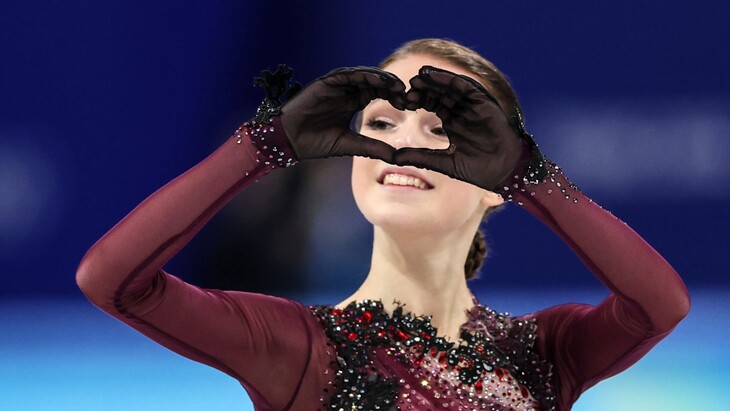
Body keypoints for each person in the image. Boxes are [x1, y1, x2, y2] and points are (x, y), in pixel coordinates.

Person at [76, 39, 690, 410]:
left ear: (497, 184)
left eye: (442, 131)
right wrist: (263, 146)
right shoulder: (298, 350)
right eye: (381, 124)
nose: (403, 146)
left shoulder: (544, 353)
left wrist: (535, 179)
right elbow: (113, 281)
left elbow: (660, 306)